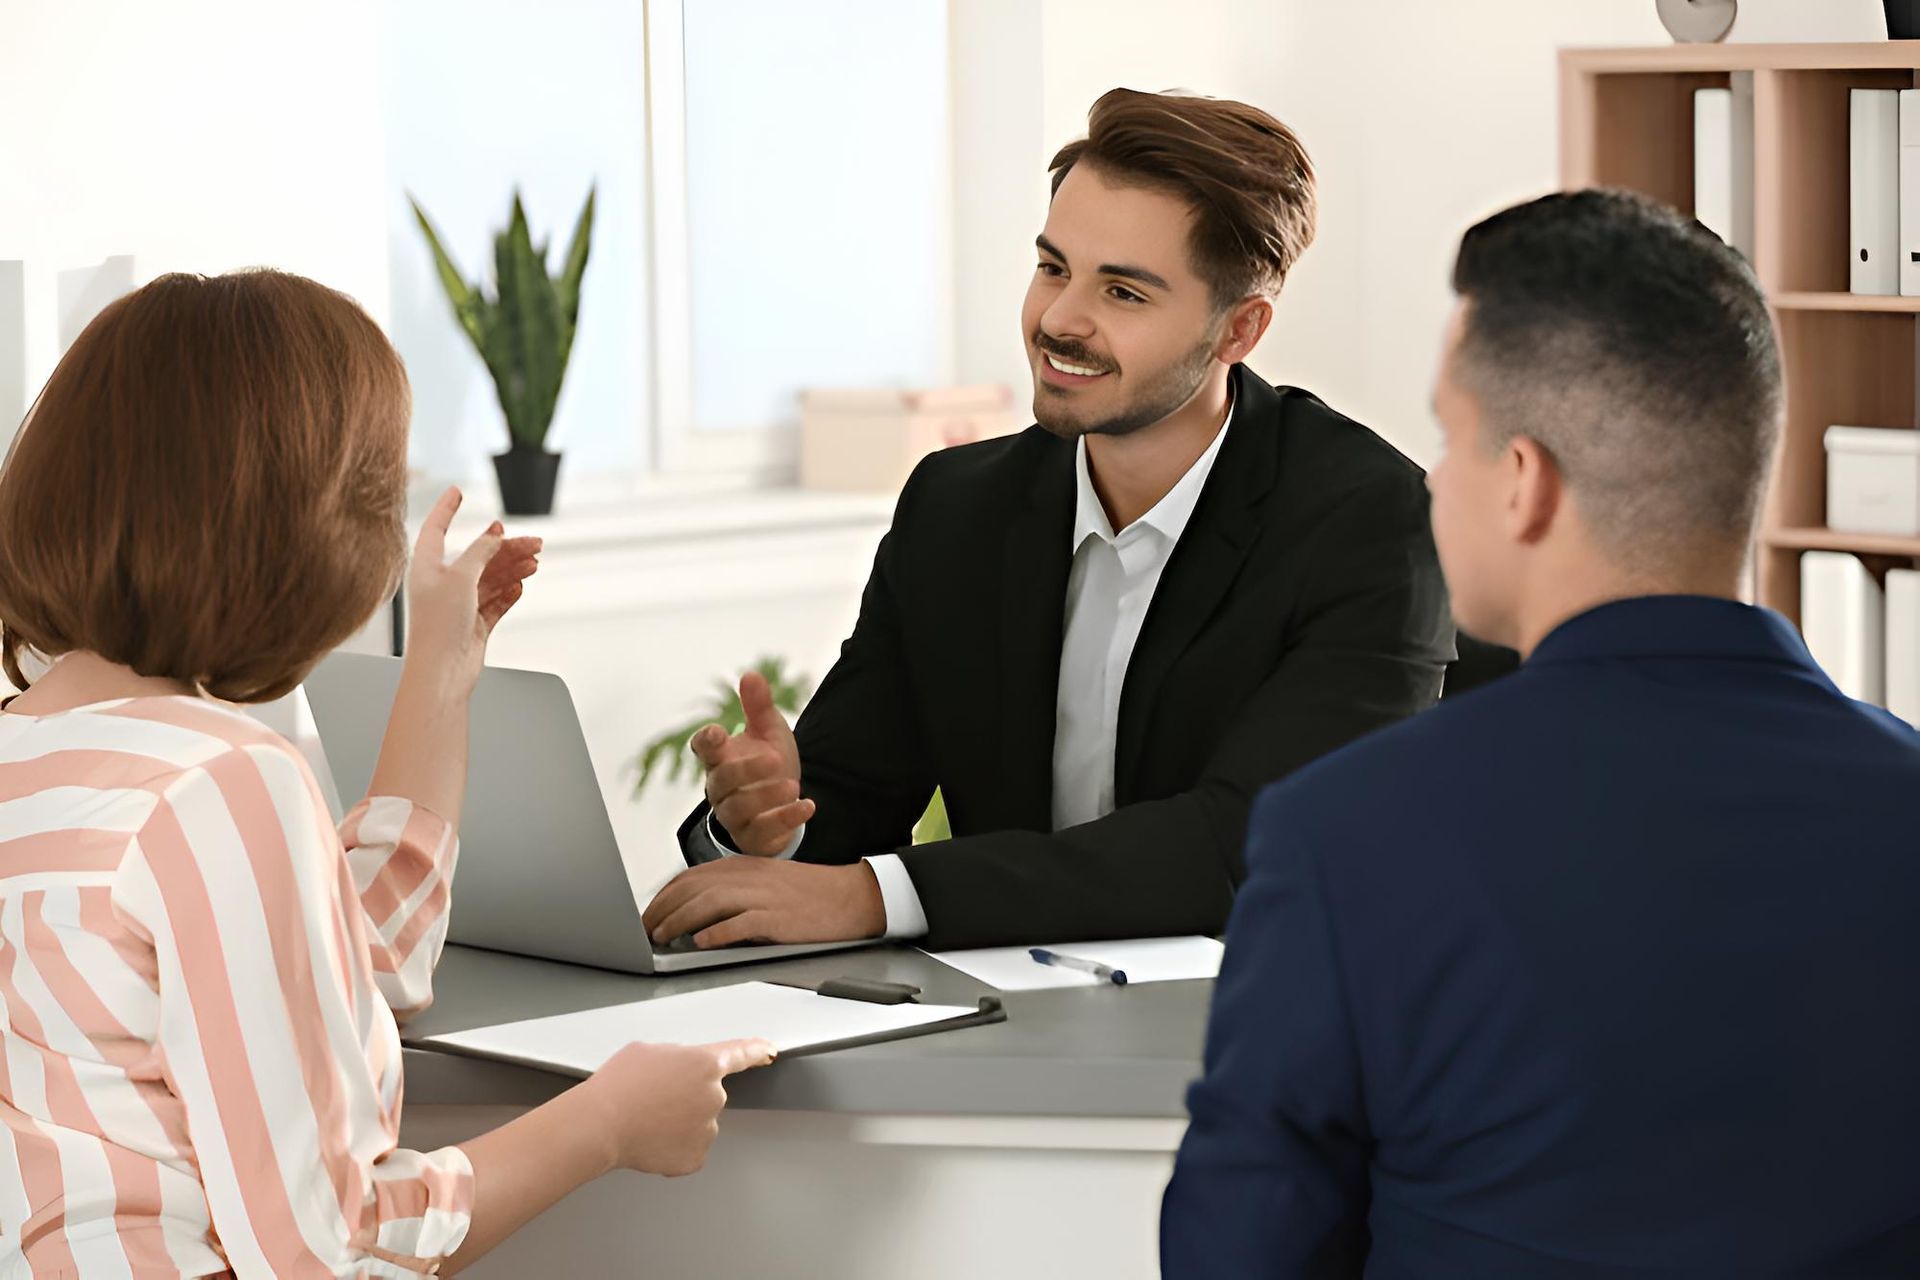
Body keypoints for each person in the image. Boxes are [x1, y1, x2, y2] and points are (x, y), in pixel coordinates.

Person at [1161, 189, 1920, 1277]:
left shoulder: (1349, 835)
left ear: (1525, 484)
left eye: (1449, 436)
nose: (1430, 478)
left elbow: (1242, 1254)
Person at [0, 271, 772, 1278]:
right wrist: (607, 1121)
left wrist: (439, 674)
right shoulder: (223, 784)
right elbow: (334, 1240)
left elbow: (346, 963)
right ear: (300, 526)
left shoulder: (39, 762)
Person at [642, 88, 1455, 953]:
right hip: (1011, 1024)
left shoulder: (1373, 523)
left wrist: (879, 897)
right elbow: (847, 795)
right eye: (1053, 268)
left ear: (1239, 330)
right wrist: (771, 829)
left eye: (1125, 293)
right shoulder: (957, 507)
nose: (1061, 320)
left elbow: (1248, 843)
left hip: (1279, 1025)